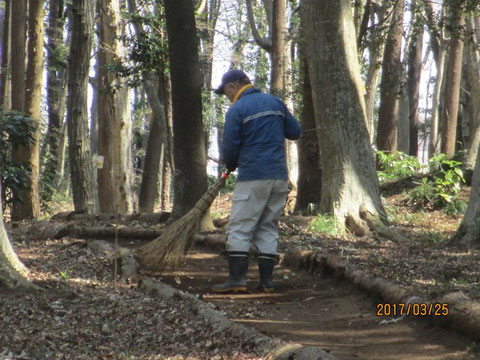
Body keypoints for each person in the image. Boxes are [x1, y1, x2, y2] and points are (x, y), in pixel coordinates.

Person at [212, 69, 302, 293]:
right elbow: (295, 131)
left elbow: (231, 146)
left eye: (226, 93)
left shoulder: (237, 109)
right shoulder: (275, 102)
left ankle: (237, 280)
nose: (228, 97)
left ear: (233, 87)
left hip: (253, 177)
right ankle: (266, 282)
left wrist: (230, 163)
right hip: (278, 177)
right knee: (267, 227)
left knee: (240, 228)